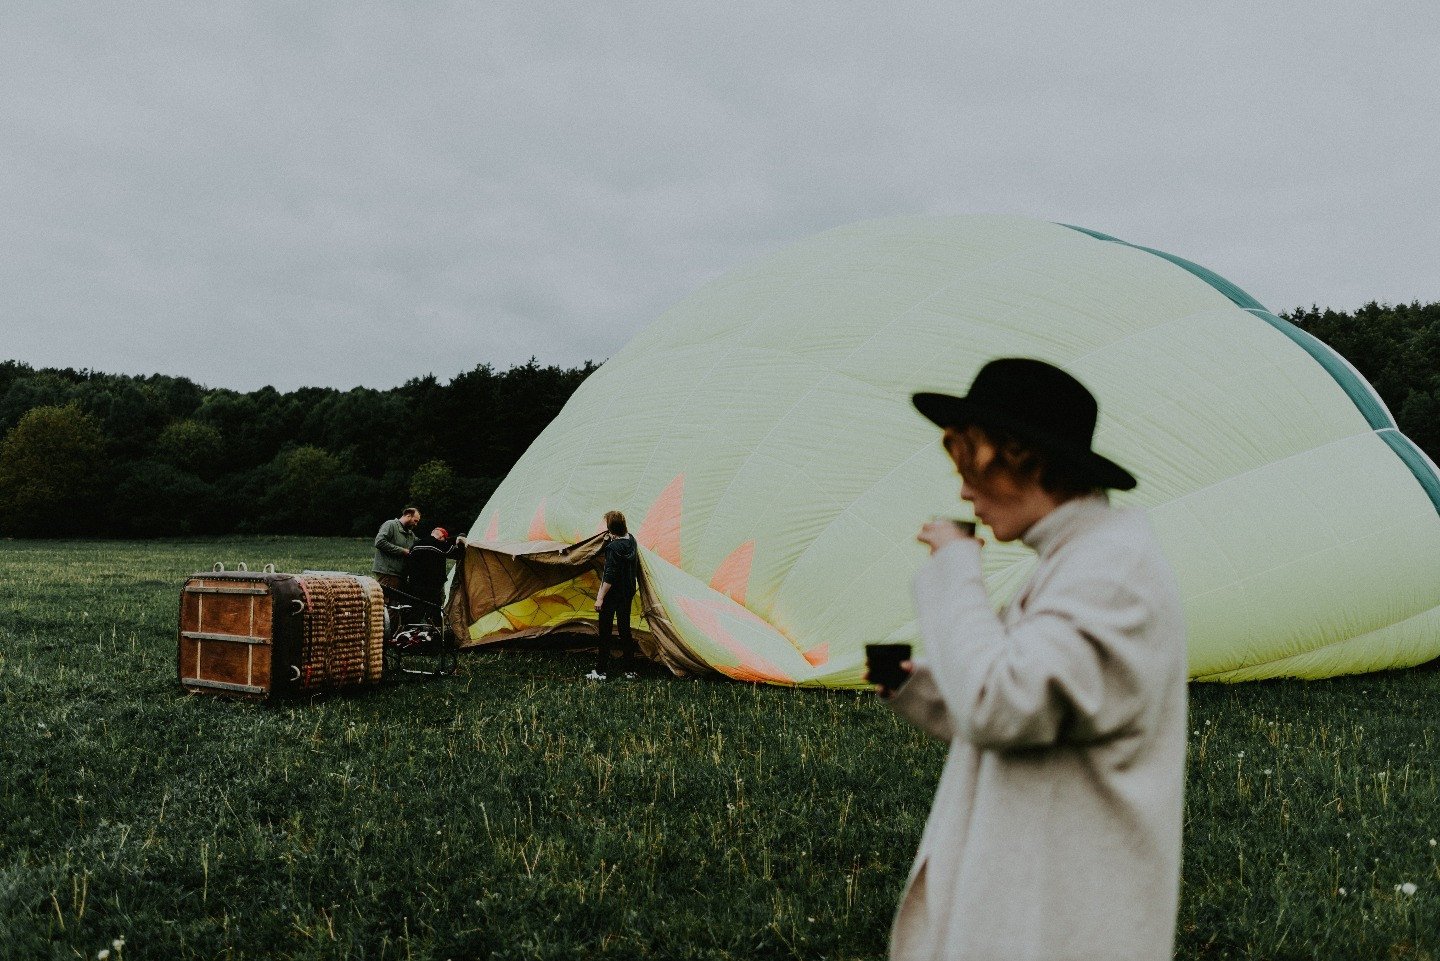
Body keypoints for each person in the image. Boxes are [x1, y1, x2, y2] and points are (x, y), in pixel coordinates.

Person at [878, 358, 1187, 961]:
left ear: (1024, 459)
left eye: (972, 465)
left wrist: (956, 567)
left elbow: (1003, 703)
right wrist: (919, 686)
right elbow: (1039, 701)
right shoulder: (1079, 560)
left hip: (1063, 921)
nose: (963, 490)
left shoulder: (1109, 573)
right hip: (1042, 898)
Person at [586, 510, 640, 681]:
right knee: (625, 630)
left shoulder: (613, 548)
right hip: (627, 591)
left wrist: (600, 597)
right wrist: (611, 539)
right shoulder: (631, 540)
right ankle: (630, 670)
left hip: (613, 594)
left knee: (605, 632)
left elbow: (609, 575)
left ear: (611, 530)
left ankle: (600, 671)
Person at [403, 526, 466, 623]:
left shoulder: (415, 545)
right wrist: (461, 543)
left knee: (416, 610)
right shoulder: (439, 545)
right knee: (434, 610)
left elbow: (407, 563)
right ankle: (435, 632)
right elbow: (459, 554)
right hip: (433, 585)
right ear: (441, 537)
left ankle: (411, 630)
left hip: (415, 584)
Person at [372, 507, 421, 590]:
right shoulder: (390, 525)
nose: (416, 524)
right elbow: (379, 542)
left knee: (395, 602)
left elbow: (420, 544)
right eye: (415, 521)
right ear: (408, 516)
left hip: (400, 575)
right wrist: (402, 551)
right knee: (386, 601)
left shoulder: (410, 533)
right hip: (388, 573)